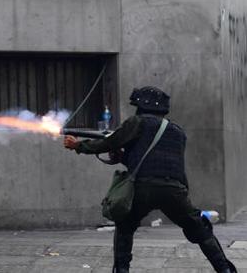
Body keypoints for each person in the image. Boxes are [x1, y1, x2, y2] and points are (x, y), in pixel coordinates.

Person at [63, 86, 236, 273]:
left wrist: (78, 145)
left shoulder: (137, 122)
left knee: (125, 226)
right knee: (201, 229)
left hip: (143, 187)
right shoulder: (178, 132)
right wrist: (123, 157)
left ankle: (122, 270)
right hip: (174, 189)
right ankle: (224, 270)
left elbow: (110, 142)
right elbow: (160, 160)